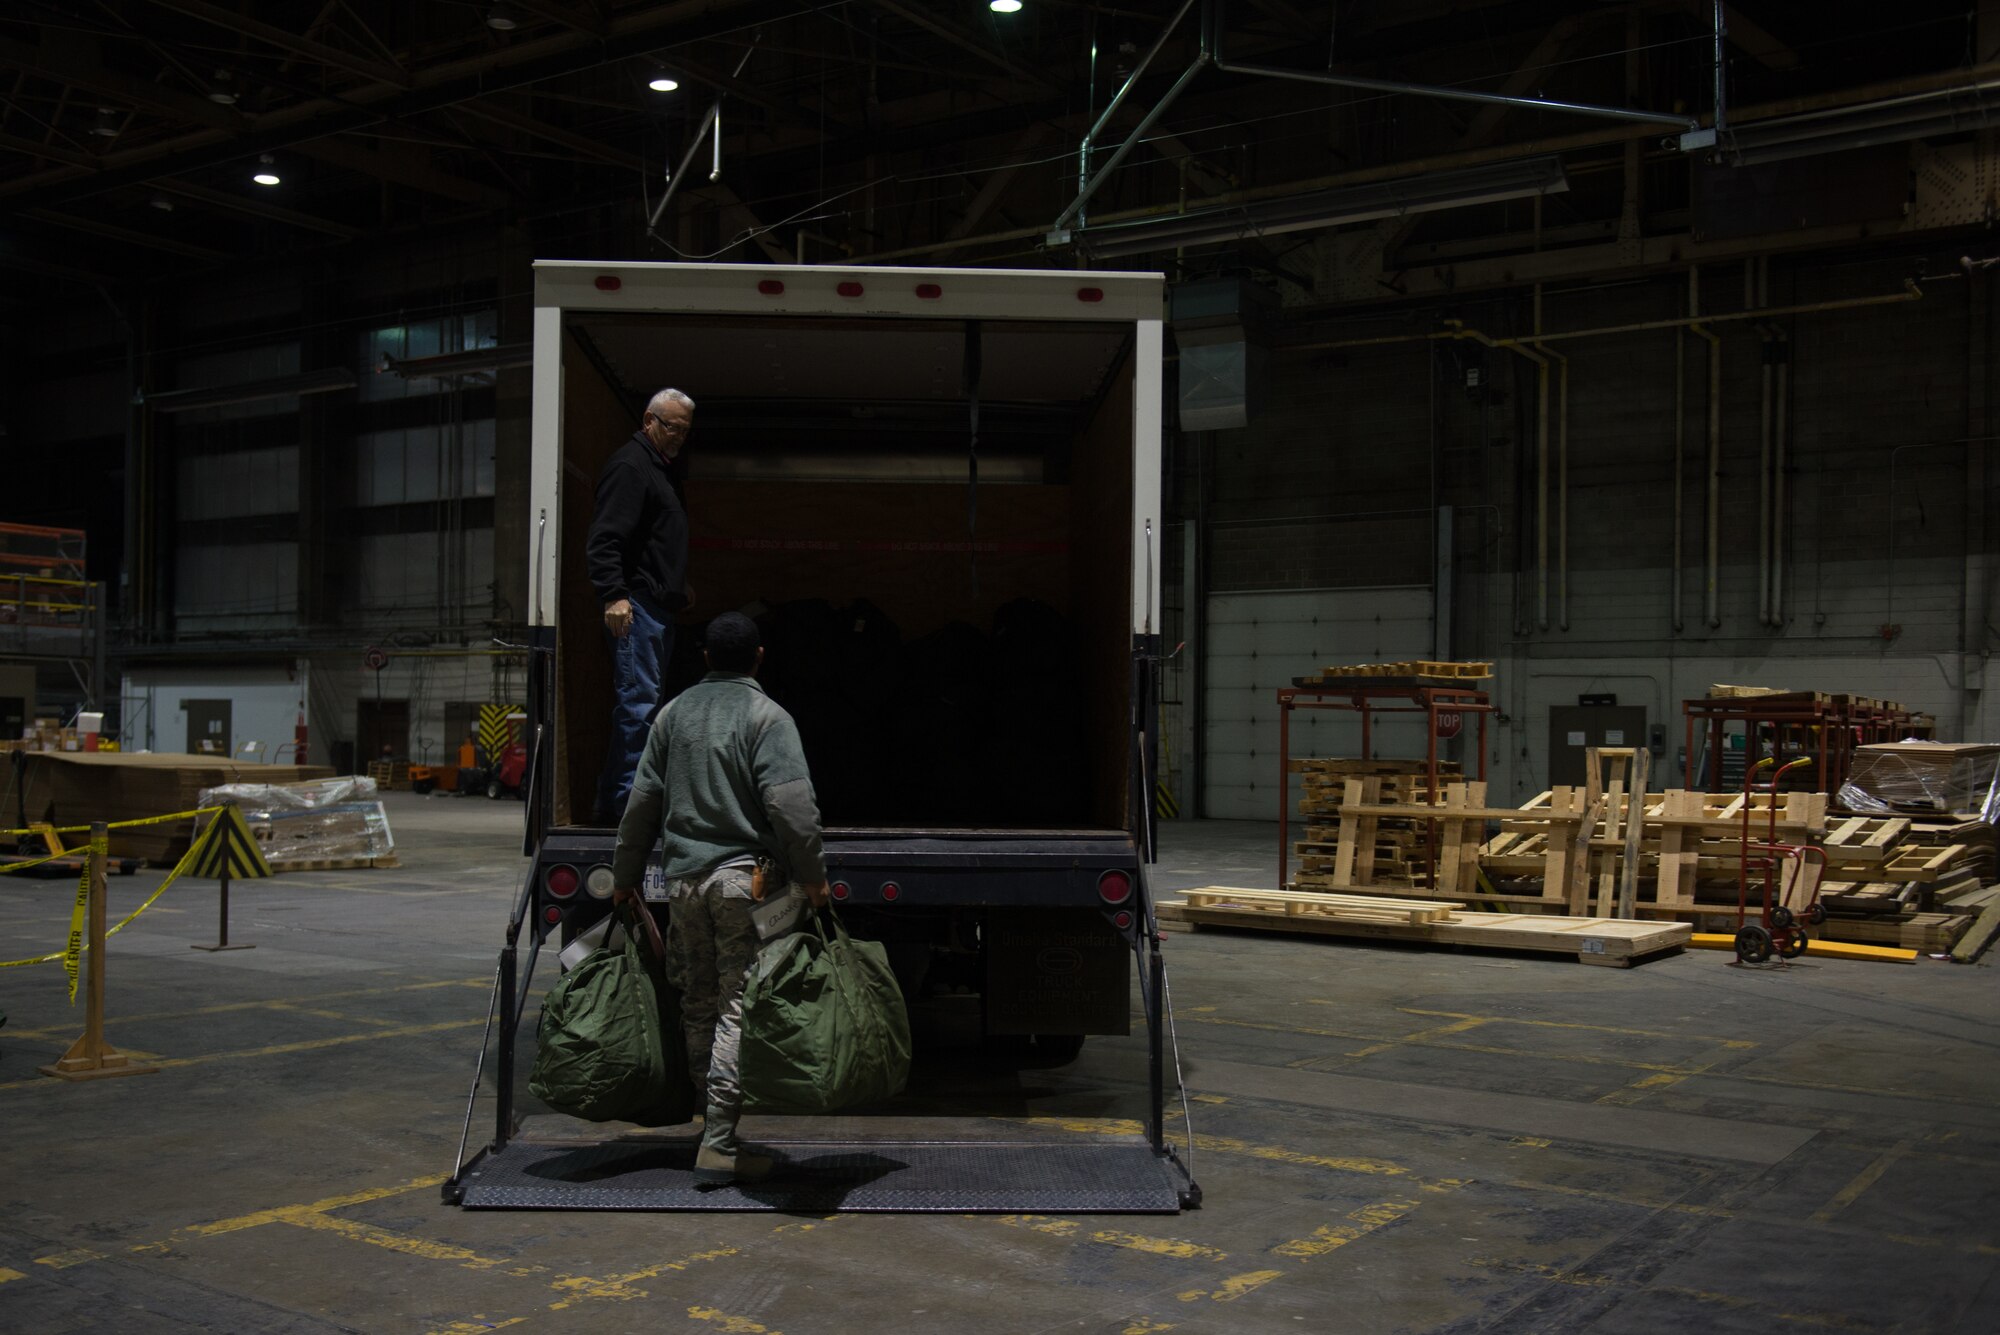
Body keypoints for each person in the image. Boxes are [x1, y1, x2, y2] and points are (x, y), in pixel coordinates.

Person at [610, 612, 833, 1186]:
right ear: (759, 656)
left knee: (699, 1003)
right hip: (744, 885)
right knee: (738, 1002)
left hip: (683, 883)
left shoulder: (672, 715)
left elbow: (642, 803)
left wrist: (625, 874)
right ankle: (718, 1141)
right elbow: (792, 808)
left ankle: (707, 1127)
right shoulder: (768, 718)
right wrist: (812, 876)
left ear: (705, 658)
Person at [587, 387, 697, 823]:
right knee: (639, 708)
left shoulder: (661, 468)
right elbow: (605, 538)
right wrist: (614, 594)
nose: (678, 437)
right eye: (671, 427)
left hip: (657, 604)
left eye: (685, 431)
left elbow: (652, 540)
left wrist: (677, 586)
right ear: (649, 421)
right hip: (637, 607)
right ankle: (627, 815)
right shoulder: (632, 466)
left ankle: (613, 806)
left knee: (643, 707)